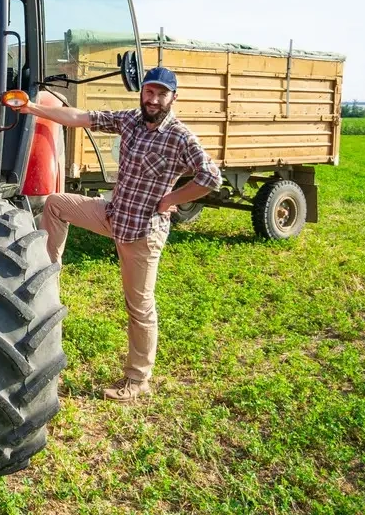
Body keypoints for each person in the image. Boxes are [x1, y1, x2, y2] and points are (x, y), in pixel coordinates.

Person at [16, 66, 222, 401]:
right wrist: (33, 108)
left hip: (142, 233)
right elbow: (80, 117)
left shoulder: (180, 137)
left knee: (139, 307)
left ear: (173, 97)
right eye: (149, 92)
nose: (153, 99)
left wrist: (172, 199)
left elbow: (211, 177)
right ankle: (49, 278)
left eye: (161, 93)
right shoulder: (130, 120)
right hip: (112, 215)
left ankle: (138, 380)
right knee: (55, 204)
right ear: (142, 93)